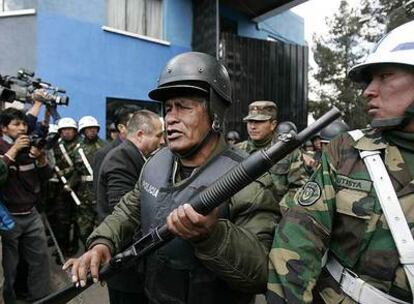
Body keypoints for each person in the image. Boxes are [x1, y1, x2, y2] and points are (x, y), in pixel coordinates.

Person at [64, 51, 279, 304]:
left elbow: (261, 272)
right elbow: (129, 211)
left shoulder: (247, 178)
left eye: (184, 107)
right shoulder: (156, 161)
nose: (171, 118)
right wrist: (102, 243)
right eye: (168, 109)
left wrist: (213, 236)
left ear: (215, 113)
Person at [267, 20, 414, 304]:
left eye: (385, 76)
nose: (368, 91)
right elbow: (298, 239)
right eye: (370, 80)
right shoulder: (347, 150)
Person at [97, 110, 164, 304]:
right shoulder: (122, 158)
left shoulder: (133, 155)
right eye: (158, 135)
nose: (161, 141)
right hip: (126, 267)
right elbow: (123, 213)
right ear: (141, 134)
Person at [0, 108, 52, 303]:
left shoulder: (29, 146)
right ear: (4, 128)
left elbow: (46, 177)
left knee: (40, 260)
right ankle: (10, 299)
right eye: (16, 124)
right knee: (10, 265)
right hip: (8, 216)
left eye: (23, 124)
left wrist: (40, 158)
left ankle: (40, 297)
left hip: (31, 214)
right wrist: (13, 150)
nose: (22, 128)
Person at [237, 101, 308, 208]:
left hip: (275, 216)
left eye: (258, 122)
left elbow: (299, 188)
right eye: (250, 121)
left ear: (273, 125)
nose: (252, 126)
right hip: (240, 213)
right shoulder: (236, 151)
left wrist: (282, 210)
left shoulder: (288, 152)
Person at [49, 117, 81, 257]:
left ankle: (74, 247)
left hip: (79, 188)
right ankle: (62, 248)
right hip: (60, 189)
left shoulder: (81, 146)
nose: (67, 133)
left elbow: (80, 169)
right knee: (62, 221)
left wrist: (71, 182)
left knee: (78, 220)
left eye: (70, 130)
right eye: (64, 130)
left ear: (75, 131)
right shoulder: (56, 146)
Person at [71, 115, 104, 246]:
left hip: (100, 191)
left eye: (94, 128)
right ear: (83, 131)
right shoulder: (77, 149)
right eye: (88, 128)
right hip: (83, 193)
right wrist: (70, 185)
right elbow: (76, 171)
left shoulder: (105, 146)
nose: (91, 131)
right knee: (84, 228)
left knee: (103, 224)